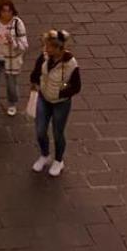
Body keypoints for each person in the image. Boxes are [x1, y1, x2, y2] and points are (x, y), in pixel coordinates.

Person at [30, 28, 81, 176]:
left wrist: (60, 91)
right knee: (40, 131)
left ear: (59, 48)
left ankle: (59, 160)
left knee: (58, 133)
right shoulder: (44, 57)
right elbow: (36, 72)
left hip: (61, 103)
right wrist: (34, 81)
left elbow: (76, 86)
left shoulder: (71, 64)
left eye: (50, 46)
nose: (46, 49)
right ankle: (45, 155)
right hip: (44, 98)